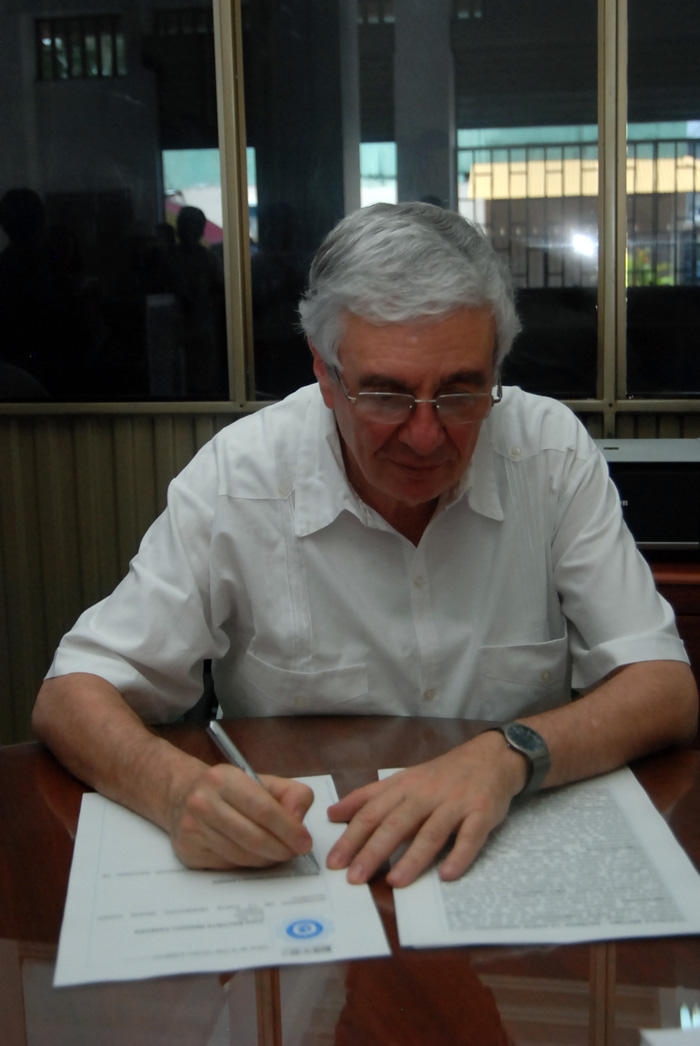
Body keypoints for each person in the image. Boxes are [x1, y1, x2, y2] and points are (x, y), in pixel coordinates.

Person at [32, 202, 697, 890]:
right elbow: (72, 694)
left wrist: (508, 754)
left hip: (504, 857)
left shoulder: (551, 454)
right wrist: (175, 791)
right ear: (325, 373)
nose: (424, 436)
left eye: (462, 392)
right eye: (385, 394)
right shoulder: (241, 477)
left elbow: (663, 688)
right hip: (303, 866)